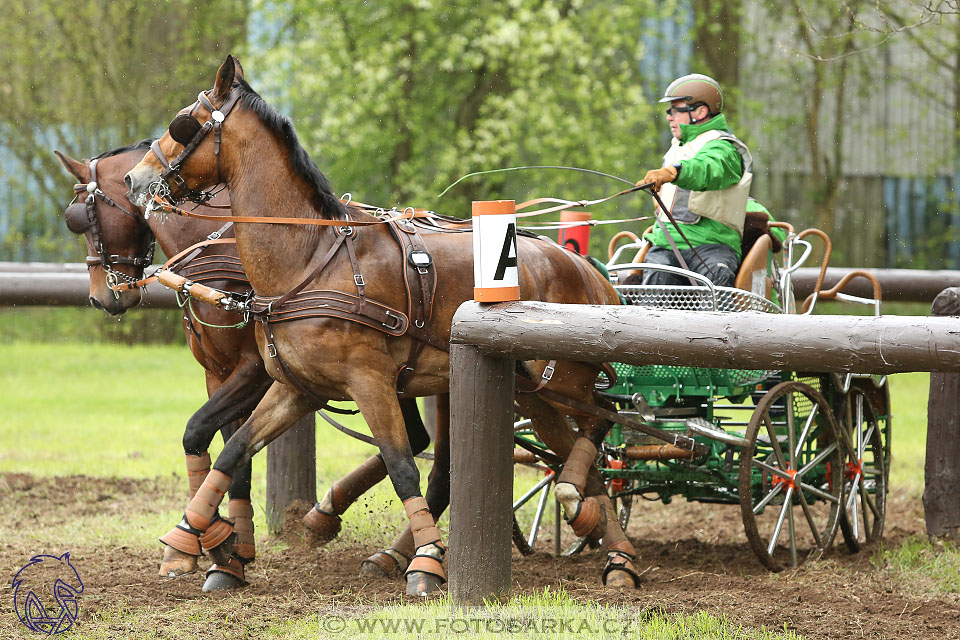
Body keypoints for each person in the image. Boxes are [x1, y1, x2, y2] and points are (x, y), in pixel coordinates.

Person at [637, 73, 753, 287]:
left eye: (675, 110)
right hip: (665, 244)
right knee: (650, 285)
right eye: (668, 111)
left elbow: (706, 169)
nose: (669, 117)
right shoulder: (676, 148)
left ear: (700, 112)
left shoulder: (724, 148)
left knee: (715, 286)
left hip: (713, 246)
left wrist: (672, 173)